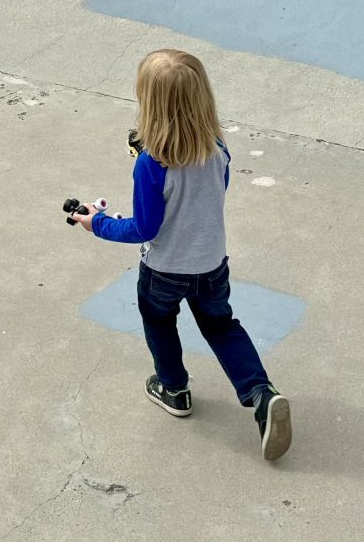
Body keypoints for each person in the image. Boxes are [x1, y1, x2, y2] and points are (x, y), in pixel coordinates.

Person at [70, 48, 290, 461]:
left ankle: (174, 389)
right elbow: (212, 196)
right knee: (222, 327)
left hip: (164, 271)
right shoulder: (218, 147)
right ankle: (261, 392)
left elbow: (145, 228)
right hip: (211, 265)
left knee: (160, 323)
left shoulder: (151, 164)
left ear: (149, 105)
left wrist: (97, 223)